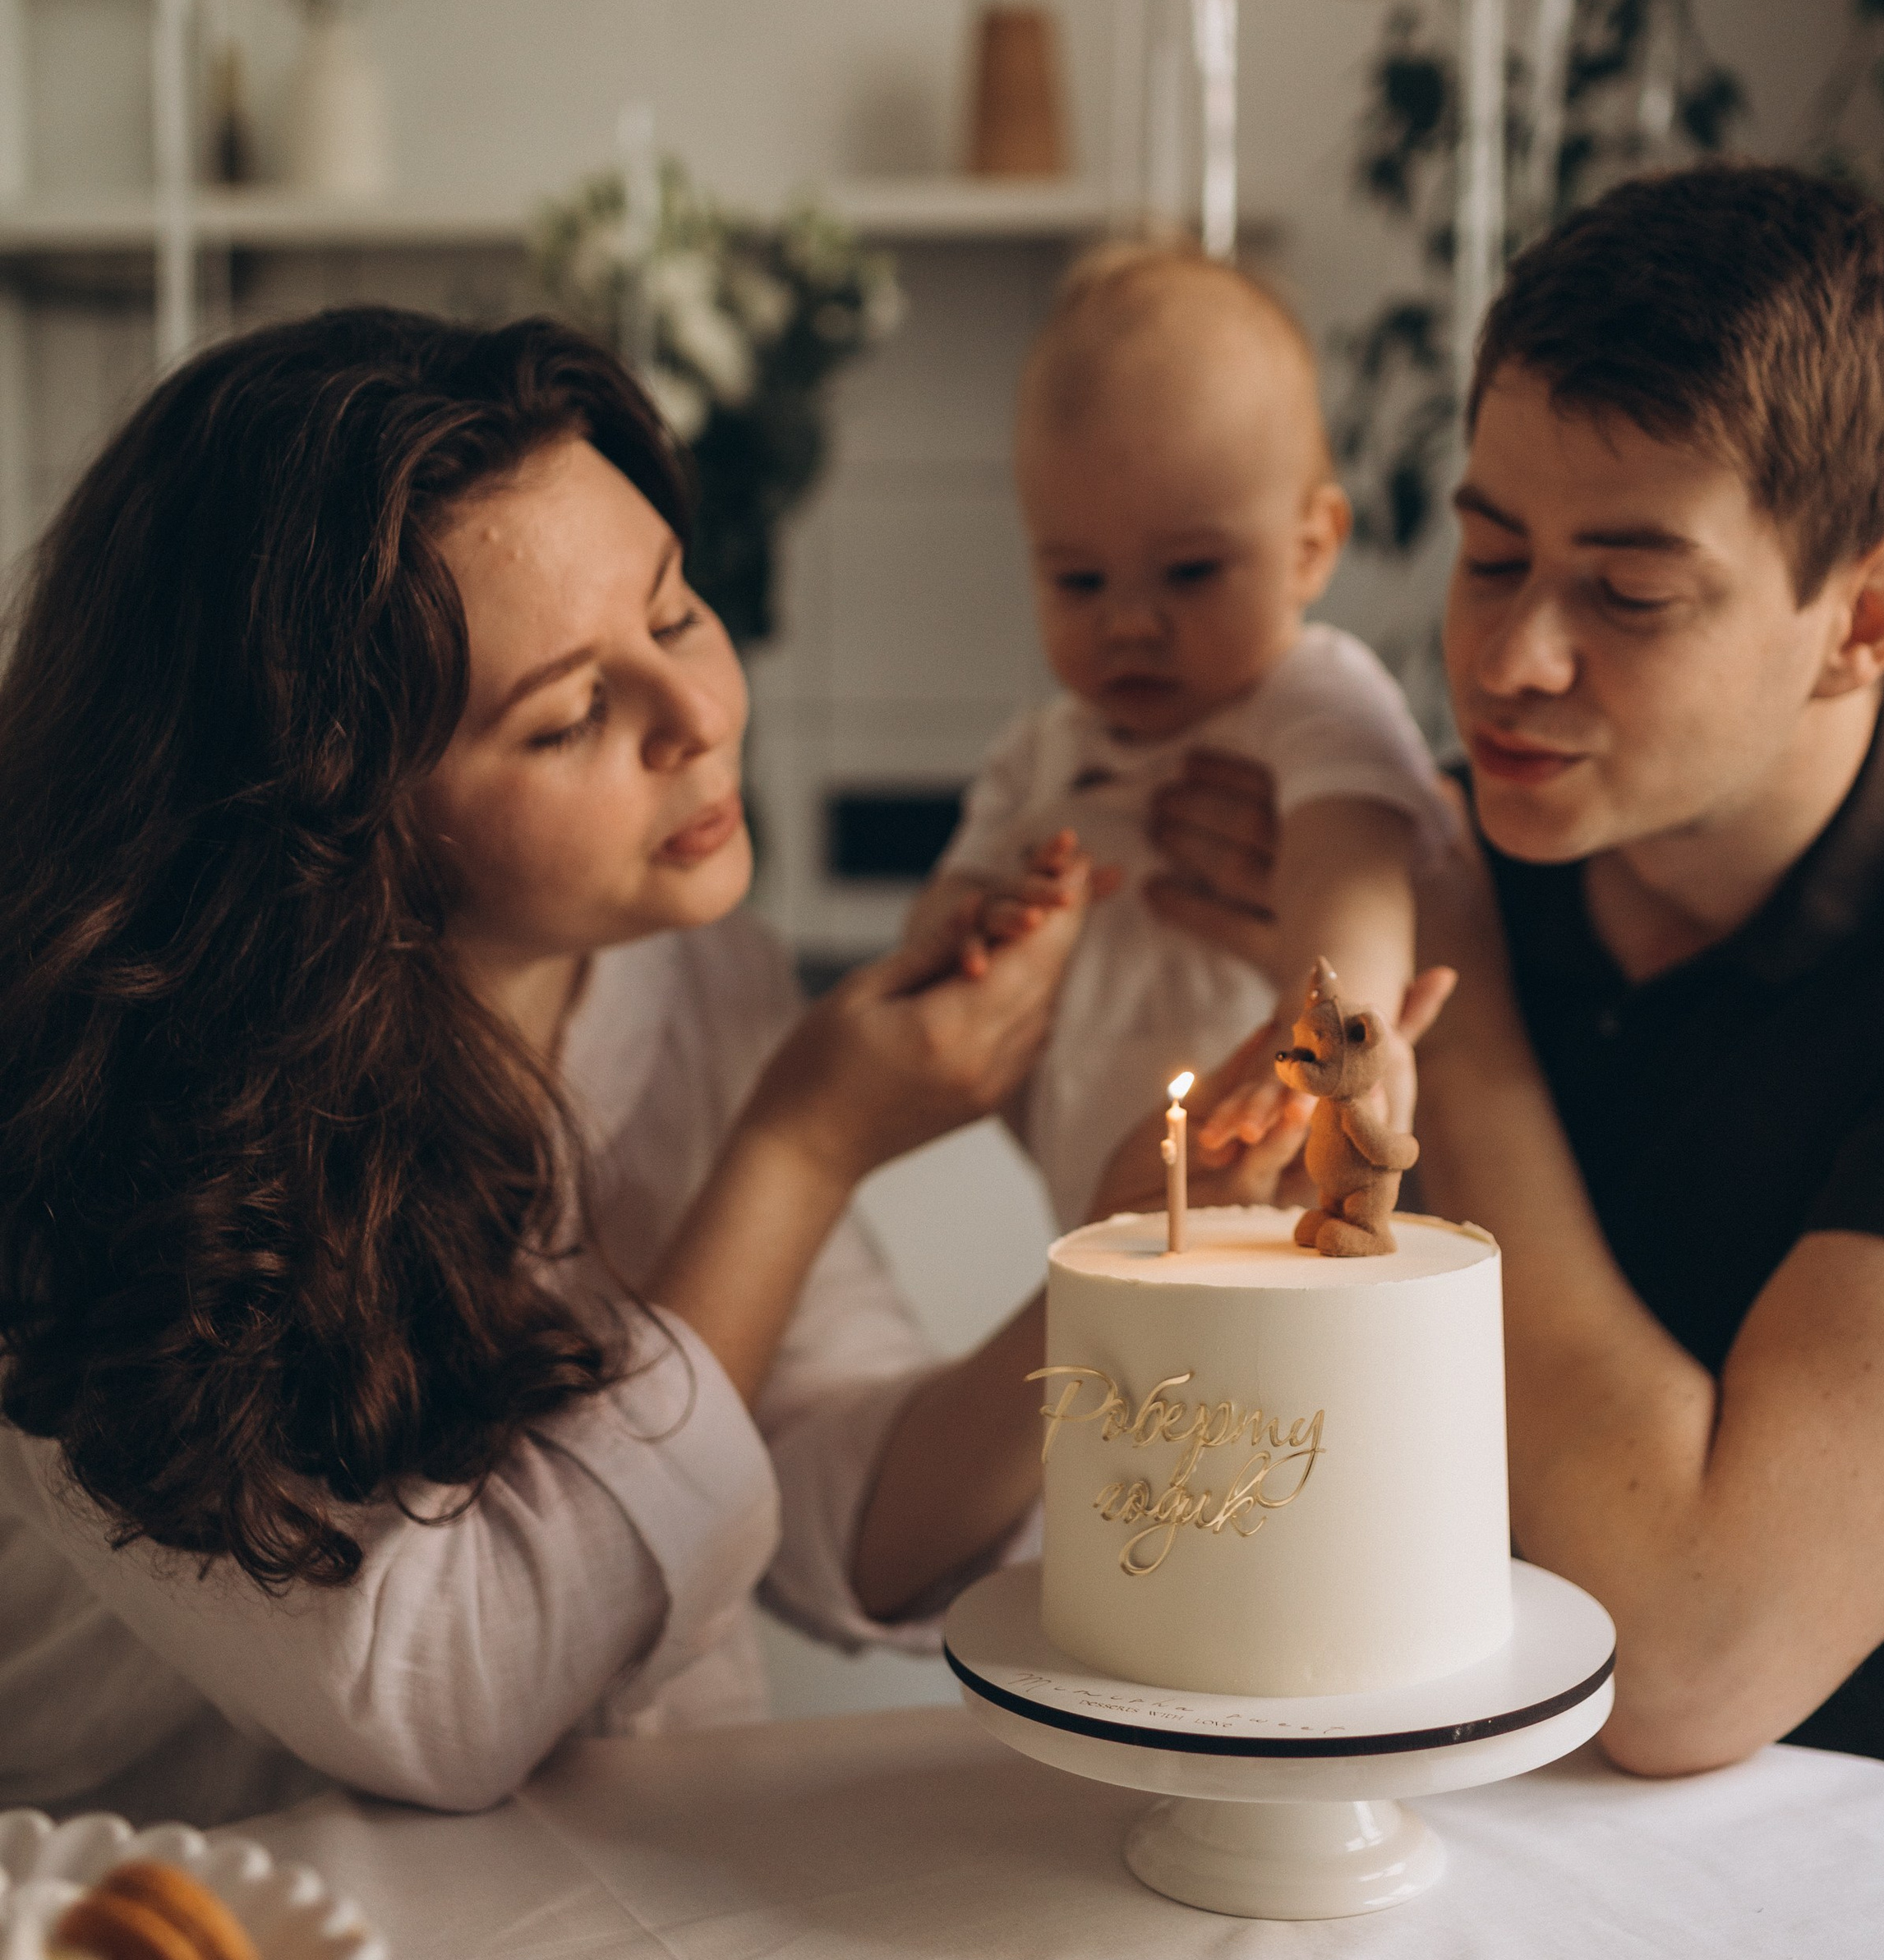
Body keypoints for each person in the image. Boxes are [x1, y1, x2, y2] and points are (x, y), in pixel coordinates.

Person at [0, 307, 1120, 1826]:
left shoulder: (688, 968)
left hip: (605, 1885)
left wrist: (1130, 1274)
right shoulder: (94, 1139)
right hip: (183, 1926)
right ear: (333, 811)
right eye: (576, 715)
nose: (701, 720)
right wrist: (799, 1151)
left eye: (676, 613)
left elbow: (835, 1517)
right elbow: (445, 1692)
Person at [1173, 163, 1884, 1805]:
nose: (1507, 663)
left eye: (1629, 594)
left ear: (1867, 613)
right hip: (1415, 1847)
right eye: (1488, 555)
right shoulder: (1387, 874)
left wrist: (1459, 1045)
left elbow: (1686, 1657)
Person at [908, 242, 1451, 1227]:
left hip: (1283, 1163)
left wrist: (1332, 1039)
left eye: (1190, 573)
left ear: (1311, 548)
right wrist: (981, 921)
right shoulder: (1041, 755)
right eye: (1079, 580)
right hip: (1100, 1205)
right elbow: (934, 941)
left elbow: (1351, 879)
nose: (1128, 623)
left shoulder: (1316, 697)